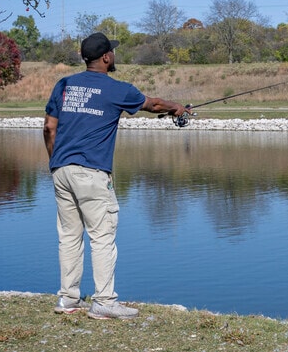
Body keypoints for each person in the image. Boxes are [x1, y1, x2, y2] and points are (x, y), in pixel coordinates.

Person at [43, 32, 189, 320]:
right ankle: (104, 302)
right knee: (102, 236)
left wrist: (56, 163)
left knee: (69, 237)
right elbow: (154, 105)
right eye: (113, 52)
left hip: (61, 171)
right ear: (106, 57)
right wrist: (178, 107)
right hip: (92, 173)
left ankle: (68, 299)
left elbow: (49, 127)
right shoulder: (117, 89)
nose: (114, 56)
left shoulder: (64, 85)